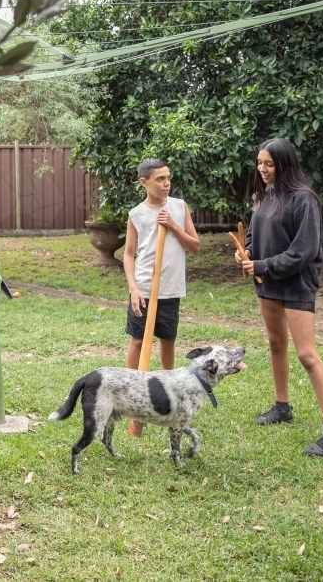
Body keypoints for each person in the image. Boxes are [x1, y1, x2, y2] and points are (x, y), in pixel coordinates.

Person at [236, 138, 323, 457]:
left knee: (307, 355)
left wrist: (262, 264)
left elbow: (303, 251)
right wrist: (249, 252)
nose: (262, 169)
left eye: (269, 164)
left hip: (296, 283)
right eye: (259, 163)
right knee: (275, 344)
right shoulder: (264, 196)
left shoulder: (304, 199)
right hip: (267, 281)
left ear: (284, 164)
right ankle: (282, 406)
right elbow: (257, 232)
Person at [123, 158, 200, 437]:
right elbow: (129, 254)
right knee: (138, 340)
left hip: (169, 288)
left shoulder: (179, 207)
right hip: (144, 287)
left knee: (168, 339)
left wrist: (174, 226)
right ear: (144, 182)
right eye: (160, 179)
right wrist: (133, 287)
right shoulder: (137, 214)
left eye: (168, 178)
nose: (166, 184)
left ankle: (170, 390)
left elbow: (195, 246)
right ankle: (131, 393)